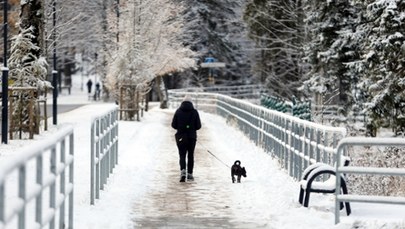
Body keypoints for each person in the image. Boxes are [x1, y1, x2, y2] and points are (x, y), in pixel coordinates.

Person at [171, 96, 202, 182]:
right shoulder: (195, 112)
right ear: (191, 103)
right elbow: (198, 126)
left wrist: (181, 127)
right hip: (191, 137)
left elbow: (173, 125)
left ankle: (183, 171)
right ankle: (190, 174)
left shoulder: (178, 111)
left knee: (182, 155)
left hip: (180, 137)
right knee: (190, 155)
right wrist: (191, 128)